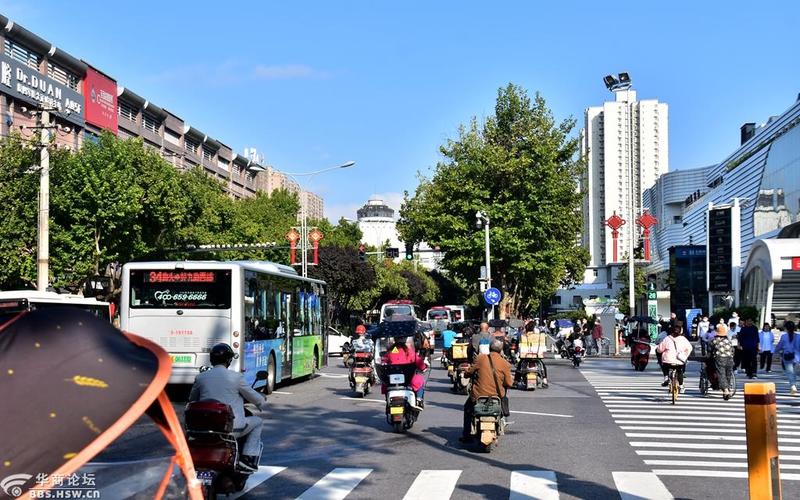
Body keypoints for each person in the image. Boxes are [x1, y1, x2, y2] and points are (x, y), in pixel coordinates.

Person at [188, 343, 266, 471]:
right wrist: (261, 401)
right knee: (258, 422)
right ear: (229, 360)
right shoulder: (236, 377)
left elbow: (192, 400)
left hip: (203, 428)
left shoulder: (201, 377)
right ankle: (248, 458)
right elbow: (255, 398)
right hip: (231, 429)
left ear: (211, 359)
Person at [460, 339, 513, 443]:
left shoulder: (480, 359)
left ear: (489, 349)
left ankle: (466, 435)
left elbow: (469, 372)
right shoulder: (505, 364)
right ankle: (500, 424)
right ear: (501, 350)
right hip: (497, 396)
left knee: (467, 409)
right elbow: (509, 383)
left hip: (478, 396)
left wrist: (466, 373)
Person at [382, 335, 428, 407]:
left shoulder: (390, 352)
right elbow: (420, 364)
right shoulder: (410, 352)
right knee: (420, 381)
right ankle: (419, 399)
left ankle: (387, 401)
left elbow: (383, 361)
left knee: (385, 383)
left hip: (392, 379)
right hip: (408, 379)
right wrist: (424, 367)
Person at [657, 325, 693, 393]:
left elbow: (659, 349)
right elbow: (690, 348)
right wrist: (685, 355)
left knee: (665, 367)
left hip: (668, 361)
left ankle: (666, 377)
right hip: (679, 361)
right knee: (679, 371)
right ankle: (681, 386)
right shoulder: (683, 339)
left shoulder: (667, 338)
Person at [709, 324, 735, 400]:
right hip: (730, 358)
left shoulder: (715, 340)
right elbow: (733, 350)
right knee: (728, 374)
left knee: (721, 374)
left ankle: (726, 390)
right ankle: (728, 387)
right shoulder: (728, 341)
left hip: (720, 358)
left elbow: (710, 350)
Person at [776, 321, 800, 395]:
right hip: (797, 357)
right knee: (794, 373)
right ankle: (794, 386)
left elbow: (779, 346)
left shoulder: (784, 336)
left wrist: (774, 353)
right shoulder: (798, 336)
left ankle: (793, 386)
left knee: (790, 372)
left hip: (787, 357)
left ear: (786, 328)